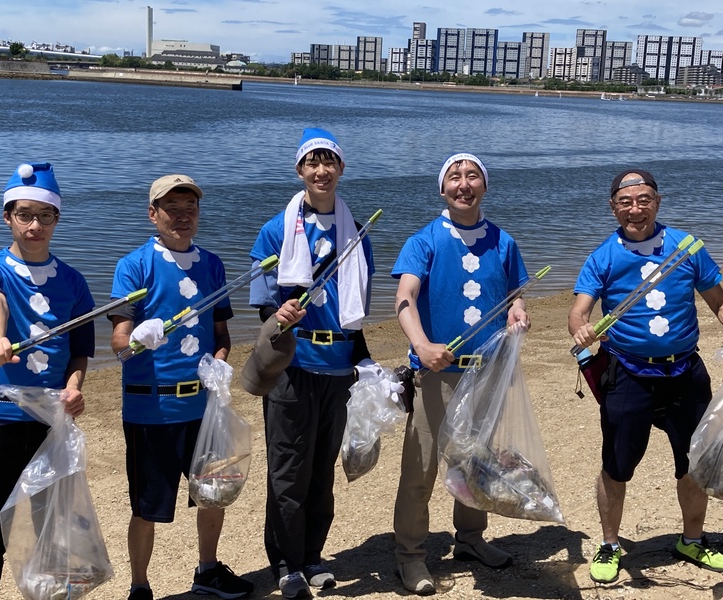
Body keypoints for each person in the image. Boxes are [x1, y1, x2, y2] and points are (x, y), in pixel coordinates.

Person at [569, 168, 723, 585]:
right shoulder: (602, 257)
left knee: (693, 463)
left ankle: (691, 541)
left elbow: (719, 299)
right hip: (627, 373)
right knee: (617, 465)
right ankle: (609, 544)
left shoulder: (687, 246)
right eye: (626, 202)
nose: (635, 209)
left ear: (657, 202)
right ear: (613, 208)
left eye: (644, 200)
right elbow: (578, 311)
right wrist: (582, 328)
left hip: (685, 371)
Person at [248, 128, 396, 600]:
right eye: (312, 163)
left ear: (341, 169)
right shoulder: (276, 229)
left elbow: (353, 315)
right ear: (299, 171)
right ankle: (287, 564)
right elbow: (261, 307)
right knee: (288, 471)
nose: (320, 170)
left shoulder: (358, 234)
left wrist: (367, 363)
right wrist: (280, 314)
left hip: (338, 370)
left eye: (328, 161)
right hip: (293, 366)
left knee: (321, 471)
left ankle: (313, 556)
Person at [108, 174, 253, 600]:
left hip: (203, 408)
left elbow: (222, 335)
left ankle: (207, 571)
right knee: (147, 506)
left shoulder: (212, 265)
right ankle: (139, 585)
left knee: (213, 492)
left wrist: (220, 364)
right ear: (153, 214)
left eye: (190, 208)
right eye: (172, 208)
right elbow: (118, 345)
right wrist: (136, 338)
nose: (183, 216)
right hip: (151, 410)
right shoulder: (134, 265)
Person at [391, 152, 530, 596]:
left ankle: (470, 540)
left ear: (484, 187)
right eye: (455, 177)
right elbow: (405, 297)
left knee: (477, 462)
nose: (464, 183)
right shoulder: (424, 240)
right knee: (421, 469)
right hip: (438, 375)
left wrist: (518, 313)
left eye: (473, 176)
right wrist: (421, 345)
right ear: (442, 189)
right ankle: (410, 556)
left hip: (488, 372)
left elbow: (515, 295)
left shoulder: (503, 242)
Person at [0, 162, 95, 600]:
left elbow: (79, 352)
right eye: (24, 214)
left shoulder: (74, 283)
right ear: (7, 217)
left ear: (57, 219)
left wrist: (75, 387)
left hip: (48, 425)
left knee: (49, 533)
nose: (34, 225)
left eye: (45, 215)